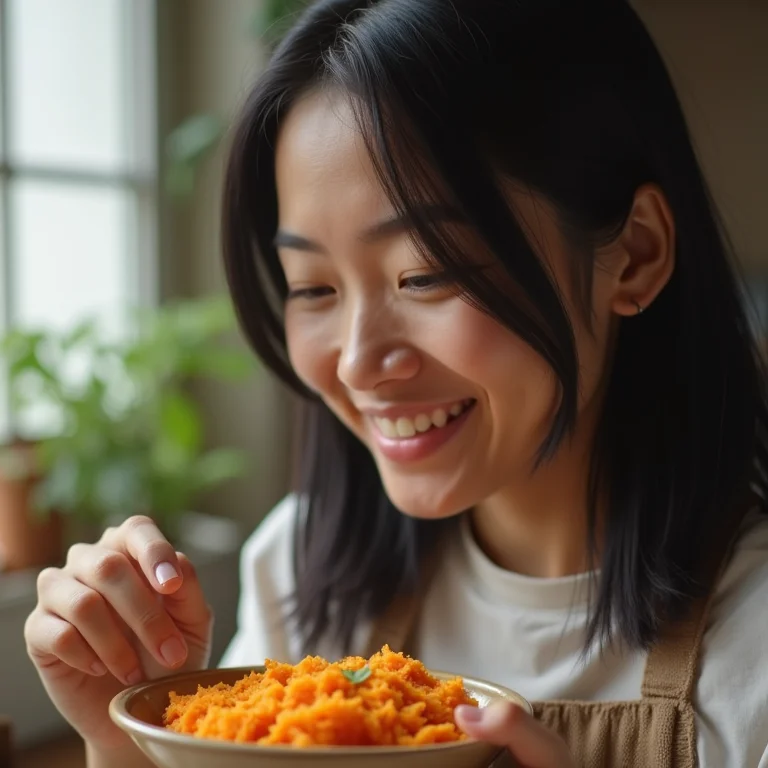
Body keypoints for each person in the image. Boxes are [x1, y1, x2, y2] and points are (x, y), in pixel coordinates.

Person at [24, 1, 768, 766]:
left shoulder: (754, 646)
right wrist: (129, 744)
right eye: (313, 287)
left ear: (636, 253)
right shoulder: (304, 569)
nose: (353, 361)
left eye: (426, 273)